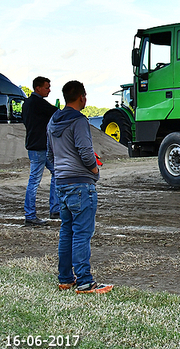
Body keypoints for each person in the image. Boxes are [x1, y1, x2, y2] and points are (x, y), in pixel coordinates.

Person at [47, 80, 113, 294]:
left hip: (62, 184)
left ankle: (65, 278)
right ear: (82, 97)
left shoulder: (52, 122)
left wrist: (59, 173)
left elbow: (50, 155)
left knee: (67, 231)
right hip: (80, 184)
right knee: (82, 233)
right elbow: (85, 152)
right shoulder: (79, 121)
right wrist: (94, 170)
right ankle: (85, 281)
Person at [23, 76, 60, 226]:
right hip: (40, 148)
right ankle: (31, 215)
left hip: (35, 146)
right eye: (47, 87)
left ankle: (54, 209)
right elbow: (56, 112)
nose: (49, 90)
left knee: (55, 174)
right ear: (38, 88)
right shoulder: (39, 103)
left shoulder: (27, 104)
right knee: (35, 181)